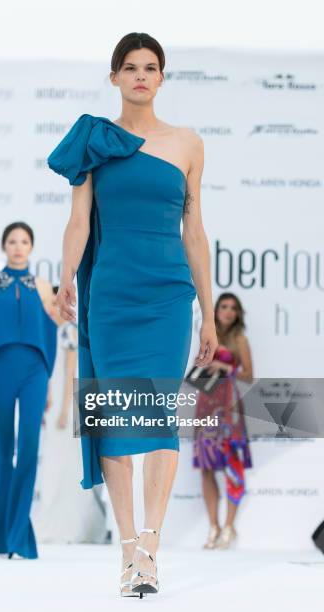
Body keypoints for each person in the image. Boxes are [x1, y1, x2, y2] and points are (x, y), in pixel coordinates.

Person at [47, 32, 217, 597]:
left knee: (160, 417)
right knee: (118, 422)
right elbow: (78, 220)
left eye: (150, 67)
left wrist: (210, 316)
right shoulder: (95, 140)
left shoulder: (188, 144)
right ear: (114, 77)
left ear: (162, 78)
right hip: (113, 296)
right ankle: (127, 551)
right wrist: (66, 275)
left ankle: (150, 546)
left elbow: (194, 234)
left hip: (169, 297)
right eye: (130, 67)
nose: (141, 76)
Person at [0, 222, 57, 560]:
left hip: (34, 372)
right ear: (4, 246)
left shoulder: (44, 287)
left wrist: (48, 382)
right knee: (3, 450)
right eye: (12, 241)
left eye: (24, 241)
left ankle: (18, 534)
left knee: (30, 449)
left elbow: (48, 336)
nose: (18, 247)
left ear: (31, 247)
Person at [33, 286, 105, 544]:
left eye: (56, 302)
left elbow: (71, 372)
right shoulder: (58, 333)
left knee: (68, 463)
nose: (51, 308)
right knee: (61, 463)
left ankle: (73, 526)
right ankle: (67, 524)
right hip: (61, 407)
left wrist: (64, 409)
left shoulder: (69, 332)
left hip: (69, 408)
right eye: (50, 303)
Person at [192, 292, 253, 550]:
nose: (228, 311)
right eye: (224, 306)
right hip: (206, 405)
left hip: (229, 408)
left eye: (233, 308)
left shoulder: (240, 339)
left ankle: (229, 526)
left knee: (232, 466)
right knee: (206, 467)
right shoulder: (208, 335)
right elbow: (197, 368)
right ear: (215, 310)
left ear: (238, 313)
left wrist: (227, 368)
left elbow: (249, 376)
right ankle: (213, 526)